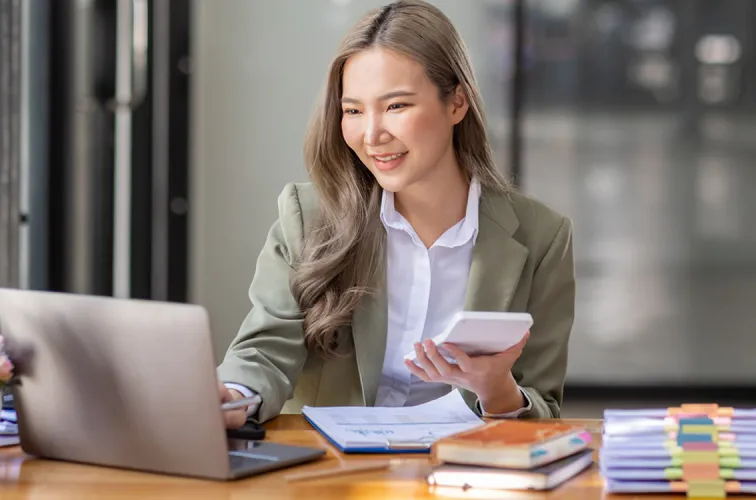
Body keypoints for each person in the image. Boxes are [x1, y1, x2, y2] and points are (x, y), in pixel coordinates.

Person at [217, 0, 575, 430]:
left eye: (396, 106)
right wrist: (233, 396)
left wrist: (496, 388)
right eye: (353, 110)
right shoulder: (308, 216)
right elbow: (263, 351)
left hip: (458, 475)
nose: (371, 135)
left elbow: (543, 407)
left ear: (457, 103)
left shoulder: (542, 237)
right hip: (332, 479)